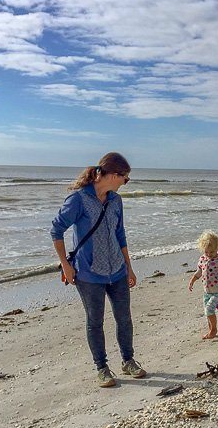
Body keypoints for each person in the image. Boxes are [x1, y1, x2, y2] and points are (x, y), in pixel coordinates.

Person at [50, 152, 146, 388]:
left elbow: (120, 234)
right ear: (114, 175)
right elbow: (56, 230)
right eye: (125, 178)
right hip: (89, 273)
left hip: (118, 270)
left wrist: (129, 267)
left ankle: (128, 360)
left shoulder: (116, 201)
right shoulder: (78, 200)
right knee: (95, 321)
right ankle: (102, 368)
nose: (125, 182)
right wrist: (65, 264)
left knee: (124, 318)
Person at [188, 231, 218, 339]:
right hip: (206, 292)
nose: (209, 254)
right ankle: (211, 329)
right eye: (206, 252)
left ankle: (213, 330)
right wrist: (192, 281)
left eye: (212, 252)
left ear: (217, 248)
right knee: (207, 312)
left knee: (209, 309)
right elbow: (199, 272)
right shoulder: (203, 259)